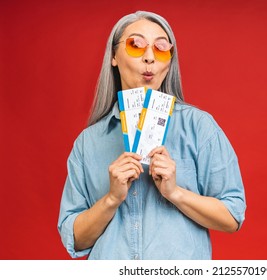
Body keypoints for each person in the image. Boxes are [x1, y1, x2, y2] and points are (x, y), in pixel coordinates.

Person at [58, 10, 246, 260]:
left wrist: (175, 192)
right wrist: (112, 198)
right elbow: (75, 239)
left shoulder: (199, 127)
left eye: (160, 48)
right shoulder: (88, 143)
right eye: (136, 45)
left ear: (170, 60)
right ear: (114, 55)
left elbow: (232, 217)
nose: (149, 58)